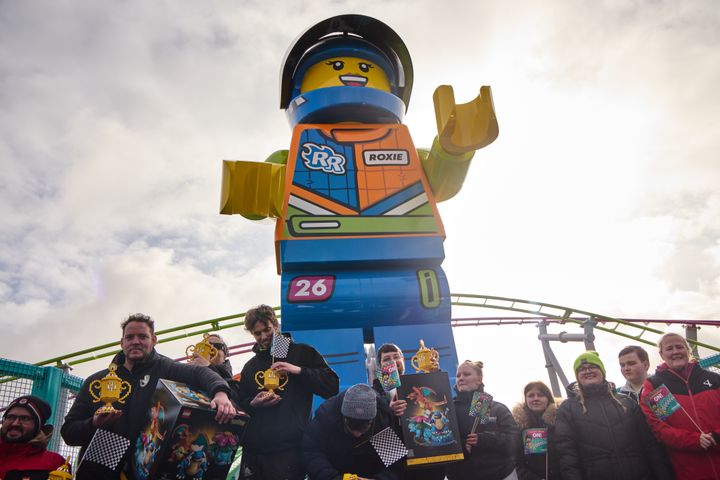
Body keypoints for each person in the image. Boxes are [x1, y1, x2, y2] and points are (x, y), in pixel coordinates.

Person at [61, 313, 235, 471]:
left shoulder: (166, 368)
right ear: (122, 343)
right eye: (130, 337)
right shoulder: (97, 382)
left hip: (145, 469)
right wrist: (93, 423)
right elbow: (68, 433)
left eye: (142, 336)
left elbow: (200, 372)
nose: (135, 341)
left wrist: (220, 393)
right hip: (100, 471)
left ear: (154, 340)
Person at [234, 304, 339, 480]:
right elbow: (241, 403)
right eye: (257, 333)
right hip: (253, 453)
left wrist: (298, 370)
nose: (263, 337)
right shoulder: (250, 366)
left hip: (288, 451)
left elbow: (331, 386)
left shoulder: (301, 353)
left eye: (267, 330)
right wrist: (253, 403)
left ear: (275, 325)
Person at [554, 351, 674, 480]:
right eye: (582, 369)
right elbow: (567, 456)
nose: (587, 371)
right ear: (577, 376)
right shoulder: (567, 409)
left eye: (593, 367)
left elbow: (650, 445)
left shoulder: (627, 402)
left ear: (602, 372)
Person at [640, 332, 720, 480]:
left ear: (688, 350)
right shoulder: (655, 386)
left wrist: (716, 437)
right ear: (661, 354)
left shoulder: (714, 379)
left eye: (679, 347)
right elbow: (660, 429)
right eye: (669, 348)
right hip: (690, 470)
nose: (675, 351)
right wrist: (695, 440)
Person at [372, 343, 445, 480]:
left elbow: (441, 403)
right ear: (380, 367)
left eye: (396, 357)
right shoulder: (372, 394)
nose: (393, 361)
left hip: (425, 460)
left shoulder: (418, 386)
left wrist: (435, 374)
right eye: (387, 359)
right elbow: (371, 429)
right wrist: (388, 411)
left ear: (403, 362)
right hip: (393, 464)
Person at [302, 383, 404, 480]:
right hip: (333, 472)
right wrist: (334, 478)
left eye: (363, 429)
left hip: (370, 472)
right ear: (343, 418)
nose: (357, 435)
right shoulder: (327, 417)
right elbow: (312, 453)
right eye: (351, 429)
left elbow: (394, 461)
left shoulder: (381, 420)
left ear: (373, 420)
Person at [446, 360, 518, 480]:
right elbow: (440, 442)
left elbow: (514, 441)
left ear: (479, 380)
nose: (461, 378)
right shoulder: (448, 410)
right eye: (458, 376)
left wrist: (485, 439)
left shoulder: (498, 408)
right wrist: (462, 446)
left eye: (466, 374)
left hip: (501, 474)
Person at [0, 395, 66, 478]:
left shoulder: (55, 463)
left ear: (38, 426)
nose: (15, 423)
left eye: (24, 418)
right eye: (10, 417)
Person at [511, 381, 559, 480]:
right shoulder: (518, 426)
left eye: (540, 395)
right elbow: (516, 461)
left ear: (548, 398)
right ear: (526, 399)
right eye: (531, 396)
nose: (535, 399)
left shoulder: (560, 421)